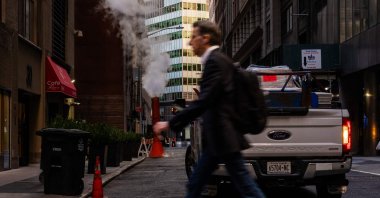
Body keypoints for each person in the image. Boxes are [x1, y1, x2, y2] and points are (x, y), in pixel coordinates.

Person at [153, 20, 265, 198]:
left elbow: (203, 101)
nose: (190, 42)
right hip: (218, 139)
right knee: (197, 185)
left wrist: (169, 123)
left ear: (205, 39)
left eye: (193, 37)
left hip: (223, 138)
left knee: (245, 187)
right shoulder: (218, 61)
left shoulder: (216, 62)